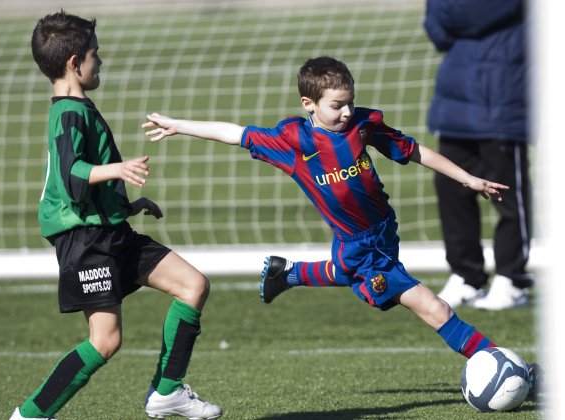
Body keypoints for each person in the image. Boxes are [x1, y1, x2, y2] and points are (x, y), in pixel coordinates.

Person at [141, 57, 544, 391]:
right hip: (359, 245)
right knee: (432, 305)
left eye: (350, 102)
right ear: (309, 104)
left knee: (350, 273)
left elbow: (414, 150)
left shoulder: (363, 125)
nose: (347, 111)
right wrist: (180, 125)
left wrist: (467, 178)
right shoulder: (293, 142)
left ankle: (290, 274)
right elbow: (236, 133)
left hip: (385, 229)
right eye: (337, 105)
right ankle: (507, 367)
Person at [9, 11, 222, 420]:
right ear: (75, 62)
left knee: (193, 286)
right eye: (95, 54)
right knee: (105, 341)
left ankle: (167, 392)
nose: (100, 61)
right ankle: (31, 415)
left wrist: (127, 205)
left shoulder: (79, 108)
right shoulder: (68, 112)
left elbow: (83, 184)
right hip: (85, 242)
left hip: (110, 230)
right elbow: (72, 177)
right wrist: (119, 170)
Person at [424, 0, 534, 310]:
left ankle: (512, 278)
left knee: (509, 196)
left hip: (501, 97)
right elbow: (437, 32)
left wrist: (446, 11)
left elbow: (467, 13)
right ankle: (466, 275)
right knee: (452, 191)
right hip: (456, 99)